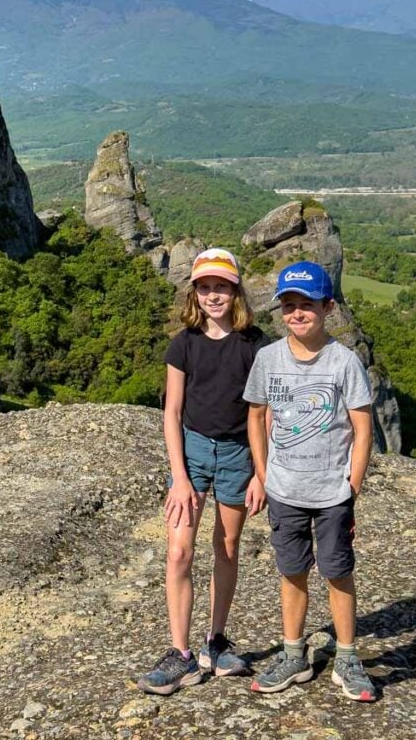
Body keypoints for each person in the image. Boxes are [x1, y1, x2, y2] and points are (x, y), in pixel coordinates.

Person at [137, 248, 268, 696]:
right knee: (178, 552)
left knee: (227, 547)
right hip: (192, 451)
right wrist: (179, 476)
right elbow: (171, 412)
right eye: (206, 287)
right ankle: (181, 654)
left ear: (236, 291)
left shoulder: (255, 345)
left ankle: (216, 641)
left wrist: (261, 474)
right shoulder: (184, 344)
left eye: (222, 286)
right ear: (195, 292)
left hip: (237, 454)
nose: (214, 295)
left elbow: (261, 413)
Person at [244, 260, 376, 702]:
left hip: (331, 492)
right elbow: (257, 416)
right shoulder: (268, 358)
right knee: (292, 570)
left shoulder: (344, 361)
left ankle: (348, 657)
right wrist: (263, 475)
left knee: (338, 572)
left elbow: (362, 428)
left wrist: (351, 486)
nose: (297, 314)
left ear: (328, 307)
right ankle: (294, 653)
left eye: (307, 305)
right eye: (289, 305)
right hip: (285, 490)